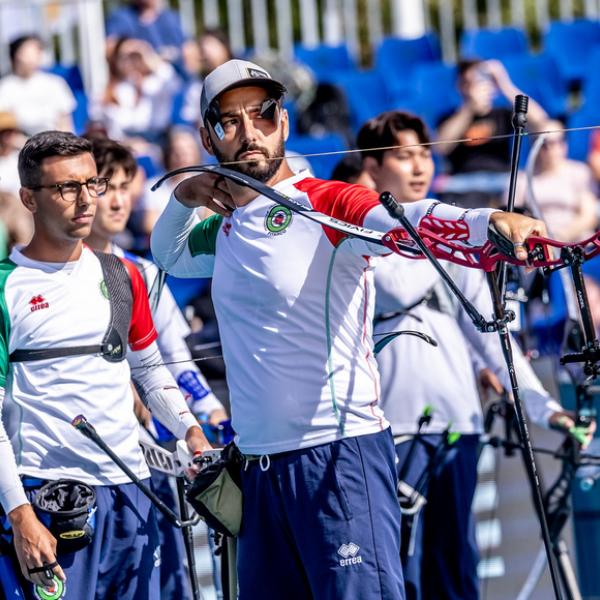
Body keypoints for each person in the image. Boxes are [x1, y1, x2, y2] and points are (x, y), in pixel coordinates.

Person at [149, 59, 547, 599]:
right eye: (230, 120)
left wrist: (488, 222)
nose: (249, 133)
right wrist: (184, 196)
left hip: (340, 458)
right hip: (261, 470)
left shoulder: (327, 202)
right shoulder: (224, 227)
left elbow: (410, 219)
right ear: (208, 136)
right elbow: (167, 253)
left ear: (283, 123)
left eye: (262, 115)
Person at [357, 110, 582, 600]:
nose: (418, 167)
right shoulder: (356, 242)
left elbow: (494, 344)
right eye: (401, 156)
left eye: (423, 154)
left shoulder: (448, 243)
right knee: (400, 575)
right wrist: (455, 239)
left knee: (455, 572)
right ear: (370, 169)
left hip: (458, 427)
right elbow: (396, 286)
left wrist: (546, 409)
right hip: (387, 433)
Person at [0, 130, 212, 600]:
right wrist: (19, 514)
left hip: (130, 492)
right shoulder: (5, 288)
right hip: (49, 500)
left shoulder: (123, 274)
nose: (85, 200)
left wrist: (189, 431)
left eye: (91, 183)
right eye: (65, 188)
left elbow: (151, 369)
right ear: (29, 199)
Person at [85, 136, 227, 599]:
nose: (120, 199)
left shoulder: (143, 272)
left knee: (165, 578)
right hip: (87, 454)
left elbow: (172, 356)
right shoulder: (48, 275)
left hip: (151, 449)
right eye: (107, 186)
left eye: (128, 186)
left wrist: (206, 411)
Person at [435, 59, 547, 208]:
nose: (475, 87)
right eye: (469, 82)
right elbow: (441, 147)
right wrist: (469, 108)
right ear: (460, 86)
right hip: (462, 183)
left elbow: (541, 122)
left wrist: (504, 84)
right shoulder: (449, 117)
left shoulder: (502, 114)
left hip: (500, 181)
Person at [514, 120, 598, 243]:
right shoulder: (522, 179)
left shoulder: (580, 172)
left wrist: (559, 237)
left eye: (556, 141)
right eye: (543, 144)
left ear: (564, 144)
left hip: (575, 246)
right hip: (537, 247)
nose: (549, 148)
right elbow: (511, 217)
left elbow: (588, 216)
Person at [0, 35, 76, 135]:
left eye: (37, 51)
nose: (34, 56)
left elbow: (65, 122)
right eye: (28, 52)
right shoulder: (5, 87)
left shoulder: (55, 83)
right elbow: (6, 129)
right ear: (16, 55)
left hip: (54, 143)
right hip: (21, 146)